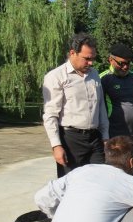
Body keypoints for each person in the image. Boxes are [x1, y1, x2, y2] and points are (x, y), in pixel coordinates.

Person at [42, 32, 109, 178]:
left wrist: (105, 136)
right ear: (73, 53)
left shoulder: (94, 75)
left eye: (93, 58)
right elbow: (50, 114)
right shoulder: (56, 77)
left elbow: (101, 108)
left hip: (95, 139)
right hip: (71, 140)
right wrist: (56, 146)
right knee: (71, 186)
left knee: (98, 181)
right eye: (87, 59)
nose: (91, 63)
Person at [101, 43, 133, 139]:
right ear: (111, 60)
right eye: (121, 63)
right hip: (112, 133)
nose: (125, 67)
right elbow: (99, 108)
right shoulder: (104, 79)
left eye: (128, 63)